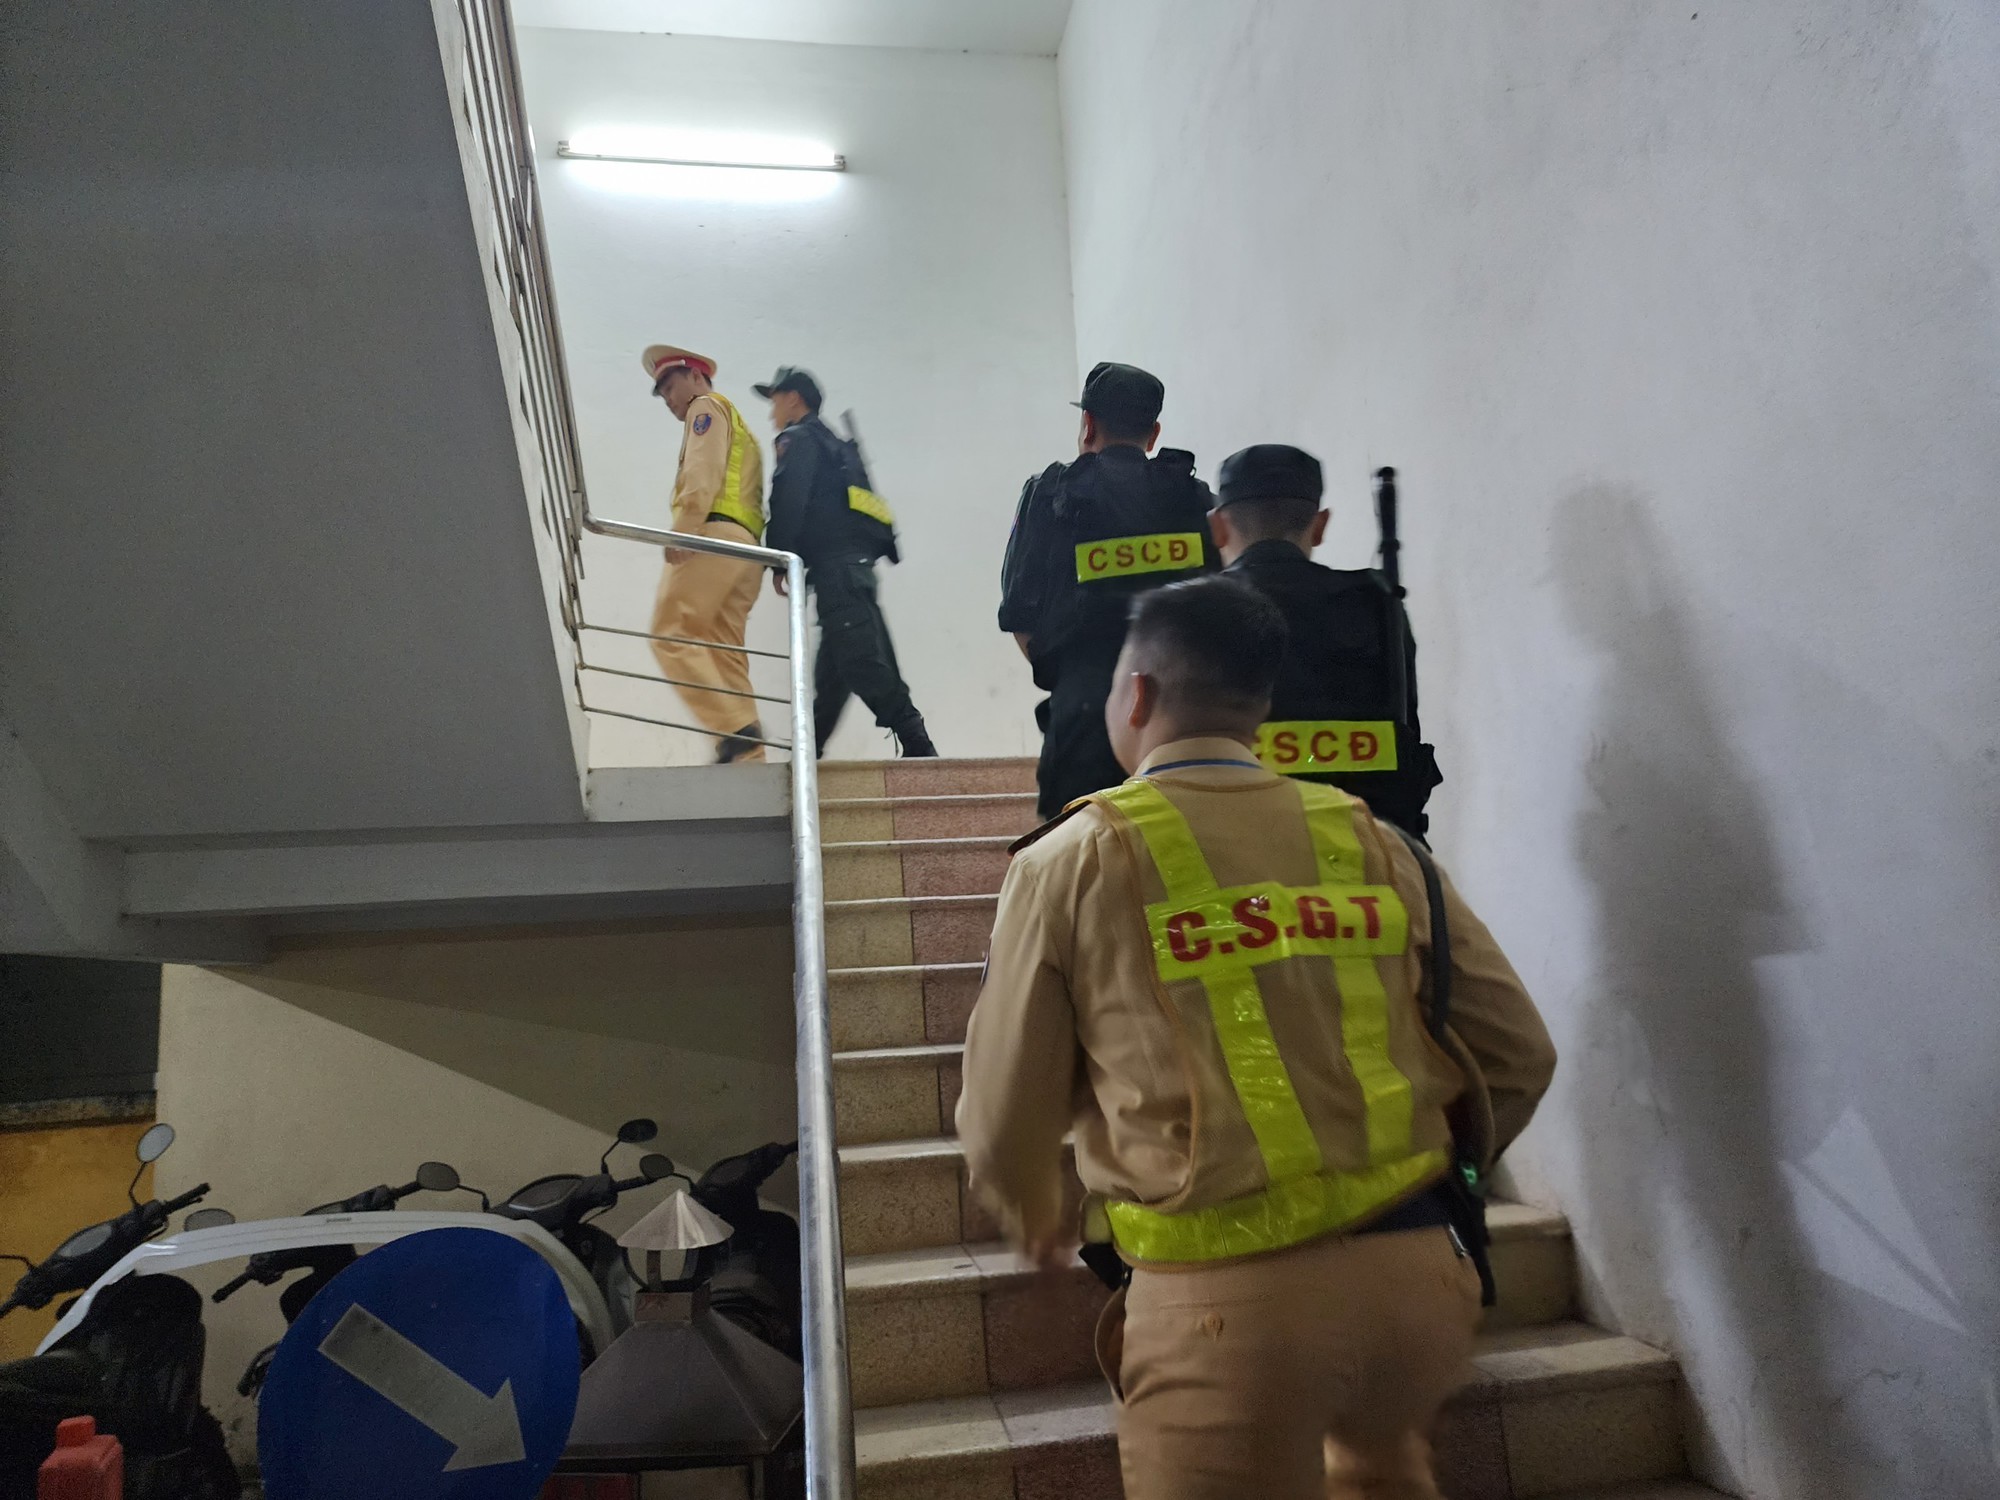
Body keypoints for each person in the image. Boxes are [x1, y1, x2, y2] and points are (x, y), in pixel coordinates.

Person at [957, 575, 1556, 1500]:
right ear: (1259, 707)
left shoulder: (1074, 860)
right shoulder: (1370, 839)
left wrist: (1036, 1213)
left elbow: (1005, 1115)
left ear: (1136, 695)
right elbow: (1518, 1052)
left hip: (1222, 1308)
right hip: (1420, 1281)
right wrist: (1452, 1170)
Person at [998, 362, 1216, 820]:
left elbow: (1018, 611)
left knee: (1077, 848)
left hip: (1083, 715)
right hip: (1184, 721)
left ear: (1089, 424)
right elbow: (1226, 602)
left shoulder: (1049, 493)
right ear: (1153, 433)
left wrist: (1068, 676)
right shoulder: (1192, 496)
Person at [1211, 443, 1443, 836]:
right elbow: (1404, 730)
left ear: (1218, 527)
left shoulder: (1195, 611)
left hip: (1234, 845)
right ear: (1320, 525)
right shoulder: (1376, 603)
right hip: (1370, 848)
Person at [754, 366, 936, 758]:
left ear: (793, 399)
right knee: (834, 673)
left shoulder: (799, 439)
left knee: (861, 659)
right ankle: (808, 753)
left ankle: (917, 742)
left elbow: (788, 499)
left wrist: (778, 559)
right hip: (855, 569)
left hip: (837, 571)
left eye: (775, 401)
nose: (771, 414)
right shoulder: (835, 447)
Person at [641, 344, 769, 763]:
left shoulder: (706, 408)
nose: (667, 399)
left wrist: (685, 530)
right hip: (748, 550)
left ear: (696, 377)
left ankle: (734, 730)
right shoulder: (743, 428)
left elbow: (703, 471)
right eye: (661, 393)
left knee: (669, 634)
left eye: (670, 387)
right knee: (723, 652)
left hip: (714, 536)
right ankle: (749, 764)